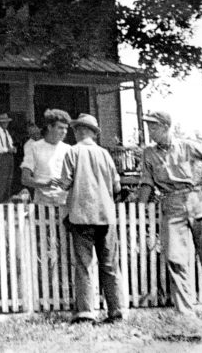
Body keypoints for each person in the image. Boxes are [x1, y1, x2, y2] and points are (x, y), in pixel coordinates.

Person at [136, 110, 202, 321]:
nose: (150, 130)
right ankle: (185, 313)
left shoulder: (186, 146)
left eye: (154, 126)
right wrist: (137, 209)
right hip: (171, 204)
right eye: (148, 126)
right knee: (174, 258)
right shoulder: (149, 153)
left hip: (197, 202)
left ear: (166, 127)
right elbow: (146, 182)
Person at [56, 114, 123, 324]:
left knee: (84, 265)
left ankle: (86, 312)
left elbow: (64, 184)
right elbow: (117, 187)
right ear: (94, 133)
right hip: (106, 216)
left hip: (82, 216)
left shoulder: (72, 152)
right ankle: (116, 311)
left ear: (78, 131)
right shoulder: (105, 154)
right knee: (110, 265)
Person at [21, 109, 72, 207]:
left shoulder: (68, 149)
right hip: (42, 205)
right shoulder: (35, 147)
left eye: (66, 128)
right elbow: (25, 179)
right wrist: (45, 184)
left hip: (65, 205)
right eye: (60, 128)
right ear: (49, 127)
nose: (64, 132)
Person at [0, 113, 17, 202]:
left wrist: (12, 148)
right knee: (1, 183)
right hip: (0, 159)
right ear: (0, 122)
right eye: (4, 122)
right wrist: (7, 150)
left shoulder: (6, 132)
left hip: (9, 158)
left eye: (7, 122)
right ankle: (0, 204)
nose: (6, 123)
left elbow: (9, 143)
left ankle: (6, 203)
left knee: (8, 183)